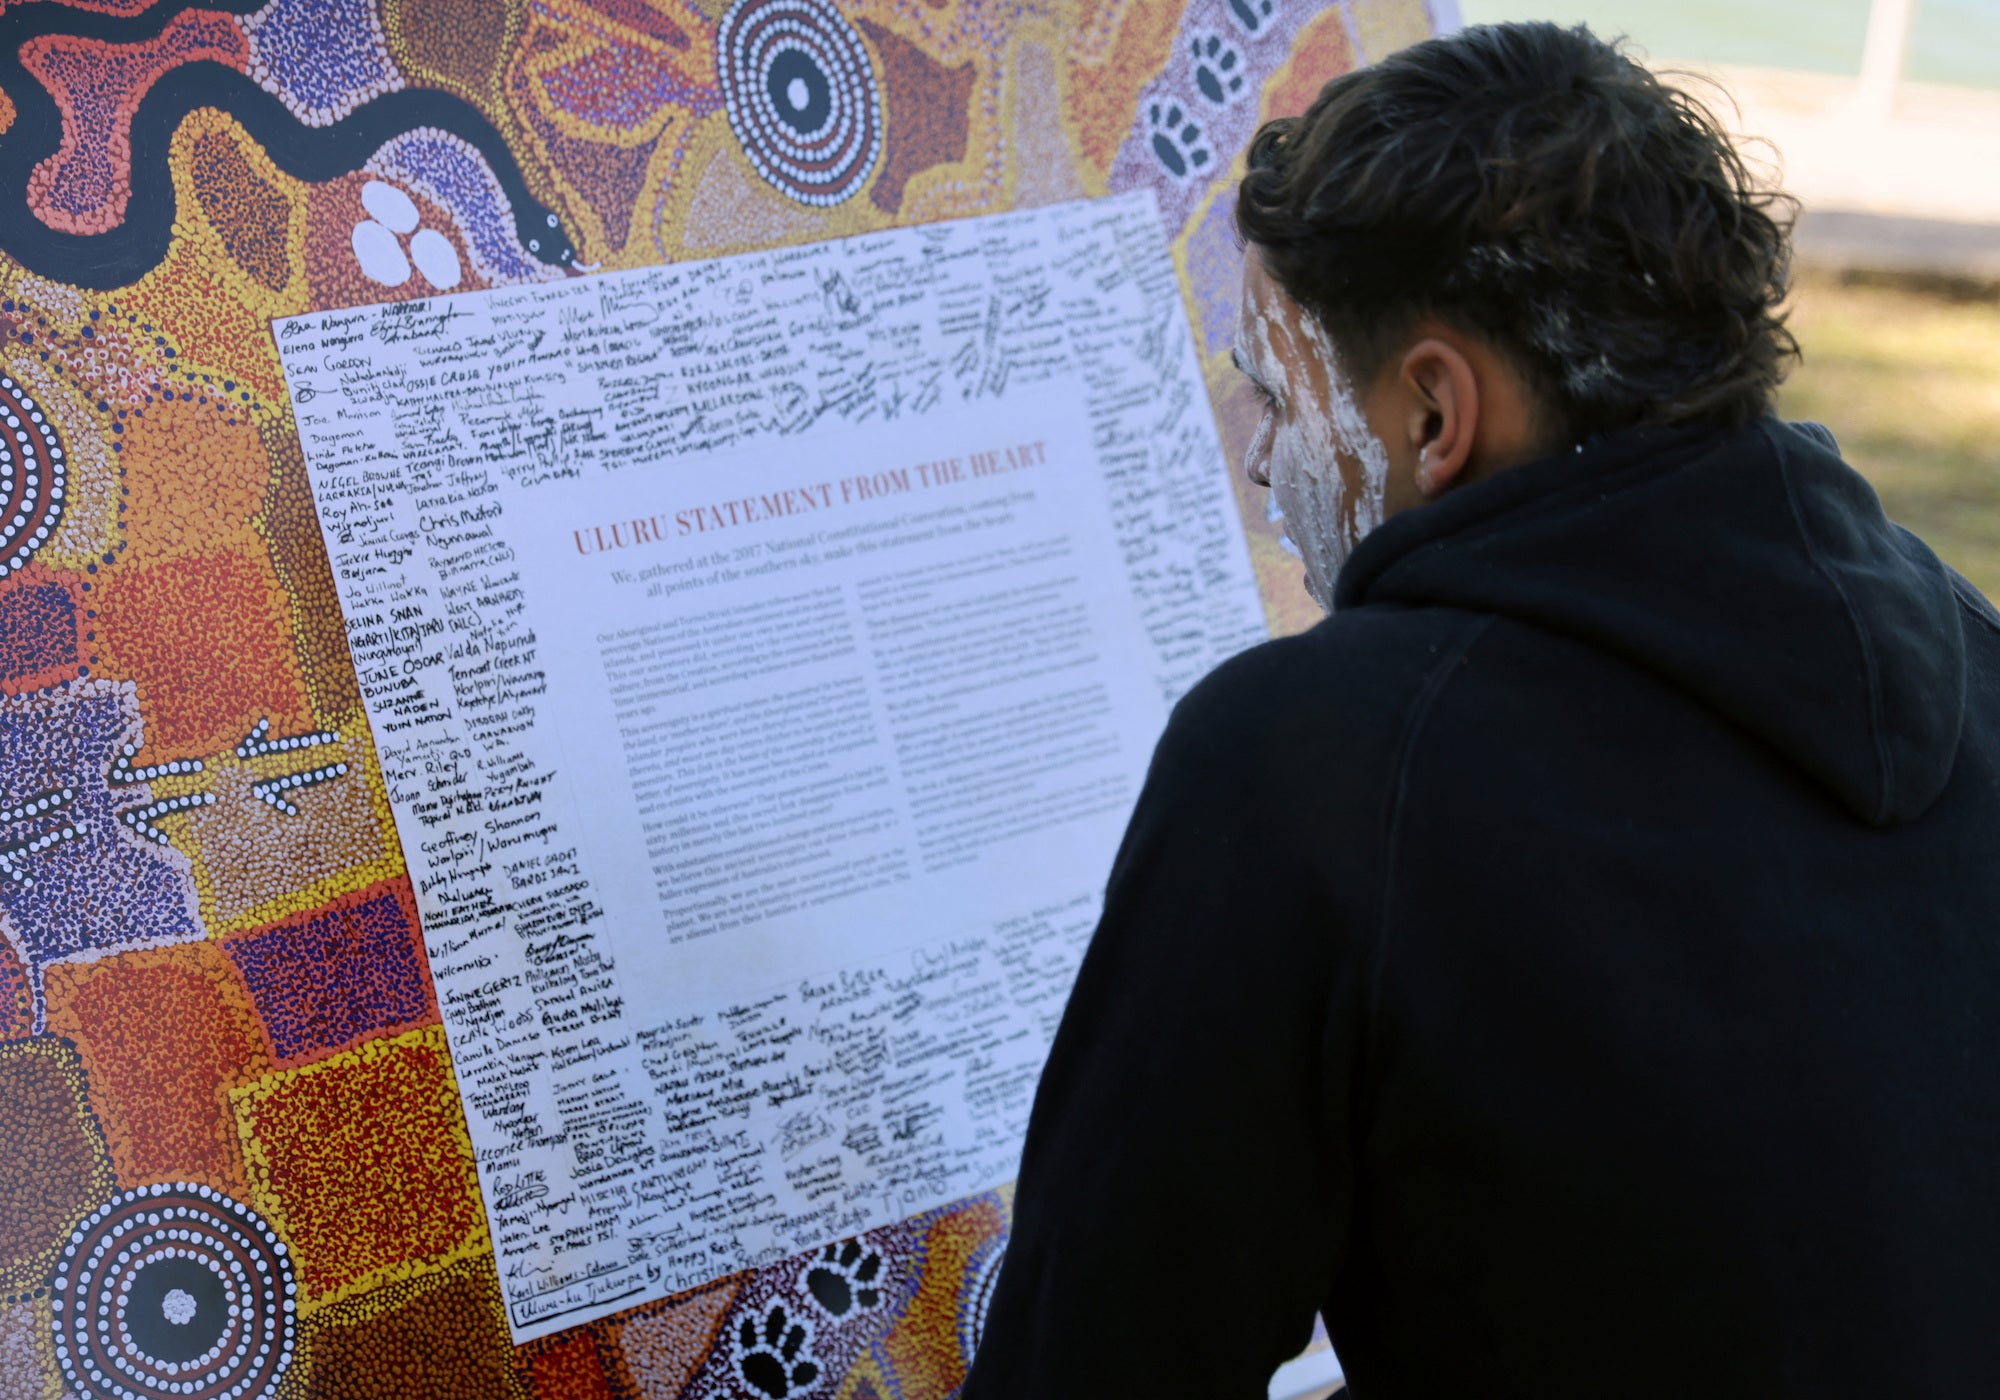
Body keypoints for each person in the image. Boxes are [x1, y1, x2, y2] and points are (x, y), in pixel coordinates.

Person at [960, 21, 2000, 1400]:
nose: (1264, 458)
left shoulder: (1310, 764)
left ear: (1436, 415)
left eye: (1279, 393)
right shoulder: (1976, 659)